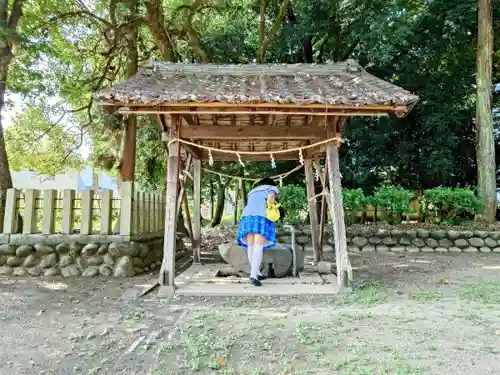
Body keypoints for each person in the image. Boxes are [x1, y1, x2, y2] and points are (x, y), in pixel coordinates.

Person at [237, 177, 281, 287]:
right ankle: (253, 276)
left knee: (251, 246)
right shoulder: (272, 188)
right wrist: (272, 206)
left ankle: (256, 273)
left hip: (246, 217)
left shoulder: (252, 191)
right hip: (260, 217)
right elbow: (271, 197)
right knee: (258, 246)